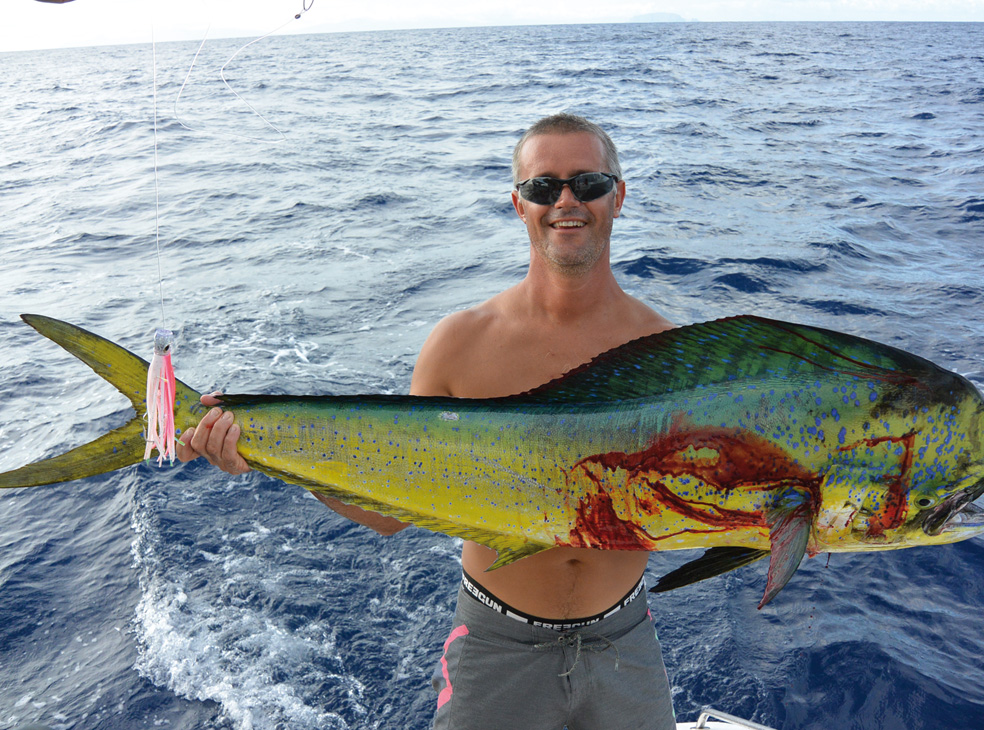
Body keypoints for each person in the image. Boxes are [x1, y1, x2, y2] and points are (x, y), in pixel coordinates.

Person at [178, 113, 678, 729]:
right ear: (518, 204)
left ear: (618, 197)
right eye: (543, 186)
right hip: (497, 645)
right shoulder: (459, 344)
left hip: (624, 641)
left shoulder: (674, 357)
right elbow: (391, 512)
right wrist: (261, 453)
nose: (566, 201)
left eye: (588, 183)